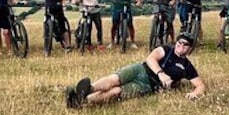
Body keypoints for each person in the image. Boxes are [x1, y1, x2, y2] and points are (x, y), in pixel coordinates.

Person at [65, 32, 205, 108]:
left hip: (148, 85)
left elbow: (200, 85)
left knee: (116, 92)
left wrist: (194, 94)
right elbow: (151, 58)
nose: (181, 45)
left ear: (190, 48)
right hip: (141, 69)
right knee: (114, 79)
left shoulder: (186, 66)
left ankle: (83, 101)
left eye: (186, 44)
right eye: (180, 42)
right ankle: (87, 89)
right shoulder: (166, 49)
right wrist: (161, 74)